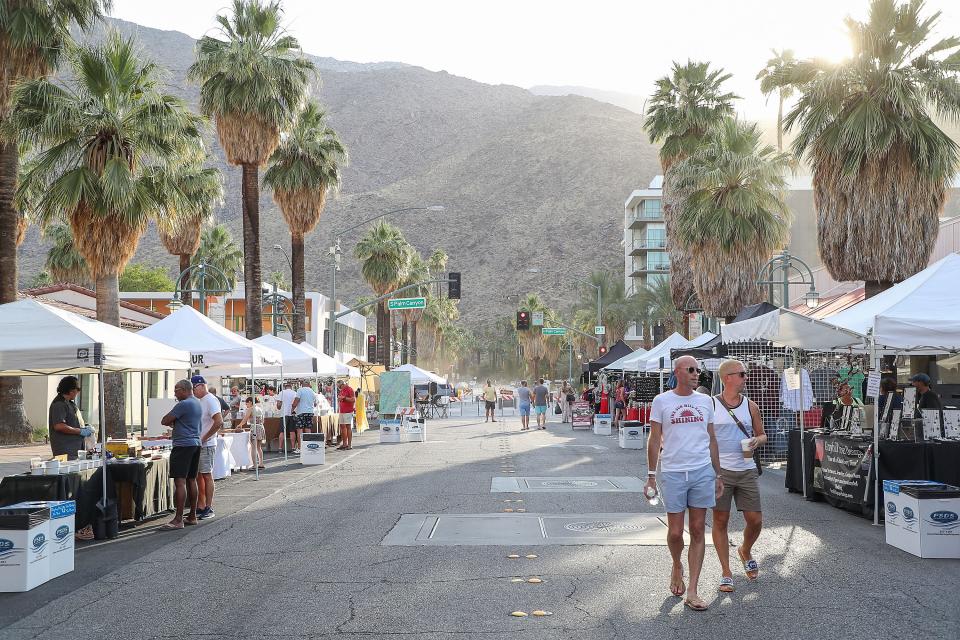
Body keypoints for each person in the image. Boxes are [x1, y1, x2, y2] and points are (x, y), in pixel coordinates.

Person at [645, 355, 723, 612]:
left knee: (699, 529)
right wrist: (651, 475)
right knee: (676, 532)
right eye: (690, 370)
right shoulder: (662, 401)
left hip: (701, 471)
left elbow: (711, 438)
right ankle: (677, 563)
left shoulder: (705, 401)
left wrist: (718, 474)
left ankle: (693, 589)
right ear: (677, 372)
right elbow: (655, 439)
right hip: (673, 473)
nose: (695, 374)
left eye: (697, 370)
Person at [711, 359, 766, 592]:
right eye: (741, 374)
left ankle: (745, 549)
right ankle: (726, 571)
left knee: (756, 520)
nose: (746, 377)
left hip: (745, 470)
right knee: (720, 521)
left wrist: (756, 440)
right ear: (727, 378)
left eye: (745, 374)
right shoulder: (710, 405)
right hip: (720, 472)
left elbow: (763, 435)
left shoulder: (751, 406)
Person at [160, 380, 202, 529]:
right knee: (192, 480)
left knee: (180, 482)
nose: (175, 393)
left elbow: (164, 420)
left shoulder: (183, 404)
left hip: (183, 445)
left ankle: (178, 519)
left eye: (176, 390)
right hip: (195, 444)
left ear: (184, 390)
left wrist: (174, 422)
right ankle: (192, 515)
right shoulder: (197, 403)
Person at [192, 375, 223, 520]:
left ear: (201, 386)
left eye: (194, 388)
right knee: (199, 475)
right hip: (201, 443)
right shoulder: (202, 400)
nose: (193, 391)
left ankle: (209, 507)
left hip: (207, 444)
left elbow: (218, 422)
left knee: (206, 475)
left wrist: (204, 438)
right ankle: (201, 505)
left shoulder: (210, 400)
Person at [48, 376, 92, 459]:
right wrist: (80, 431)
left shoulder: (70, 403)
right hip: (65, 451)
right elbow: (59, 426)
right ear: (71, 390)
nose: (78, 392)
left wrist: (84, 427)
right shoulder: (59, 404)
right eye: (78, 389)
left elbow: (72, 422)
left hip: (75, 450)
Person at [236, 397, 266, 470]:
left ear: (250, 402)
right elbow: (263, 420)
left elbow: (245, 419)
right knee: (259, 447)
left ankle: (255, 465)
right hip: (261, 427)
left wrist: (239, 425)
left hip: (255, 428)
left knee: (253, 447)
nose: (246, 405)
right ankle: (261, 463)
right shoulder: (260, 408)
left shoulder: (251, 409)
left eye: (246, 403)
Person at [291, 379, 316, 453]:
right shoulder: (312, 392)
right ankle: (308, 446)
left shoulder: (300, 390)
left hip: (301, 412)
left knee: (300, 429)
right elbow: (315, 404)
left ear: (302, 384)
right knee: (308, 429)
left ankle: (300, 448)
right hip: (310, 412)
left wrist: (292, 408)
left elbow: (296, 400)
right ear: (309, 384)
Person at [277, 381, 298, 452]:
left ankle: (280, 448)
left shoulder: (281, 392)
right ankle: (293, 448)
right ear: (291, 387)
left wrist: (279, 408)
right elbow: (296, 403)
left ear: (285, 387)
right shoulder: (295, 393)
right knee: (292, 431)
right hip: (292, 414)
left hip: (283, 414)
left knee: (282, 431)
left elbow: (279, 404)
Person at [337, 380, 356, 450]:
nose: (338, 388)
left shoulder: (349, 389)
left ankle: (349, 444)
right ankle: (344, 444)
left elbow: (353, 399)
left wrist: (344, 398)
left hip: (348, 411)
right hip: (342, 411)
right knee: (342, 427)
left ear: (341, 385)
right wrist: (340, 399)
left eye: (338, 386)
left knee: (348, 426)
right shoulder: (342, 390)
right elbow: (341, 398)